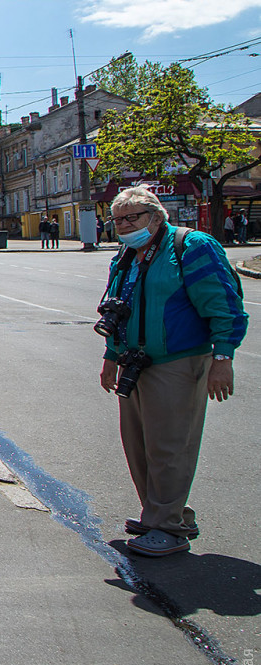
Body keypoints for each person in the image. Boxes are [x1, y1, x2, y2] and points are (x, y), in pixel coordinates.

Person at [98, 186, 247, 557]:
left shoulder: (192, 246)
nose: (125, 225)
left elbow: (225, 304)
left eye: (132, 217)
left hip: (177, 361)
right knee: (138, 444)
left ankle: (168, 528)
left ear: (156, 215)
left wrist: (222, 359)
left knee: (169, 446)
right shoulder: (127, 254)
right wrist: (111, 355)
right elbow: (118, 308)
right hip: (134, 360)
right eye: (118, 220)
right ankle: (163, 513)